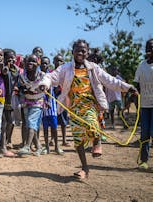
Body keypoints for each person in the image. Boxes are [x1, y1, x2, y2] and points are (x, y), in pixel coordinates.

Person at [41, 39, 137, 179]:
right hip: (74, 107)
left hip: (90, 104)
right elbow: (51, 76)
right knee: (78, 139)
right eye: (78, 50)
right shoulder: (66, 68)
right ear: (72, 51)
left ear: (88, 52)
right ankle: (85, 168)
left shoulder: (93, 68)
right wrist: (45, 83)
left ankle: (97, 141)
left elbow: (110, 80)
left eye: (84, 50)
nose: (81, 52)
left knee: (91, 122)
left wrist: (127, 87)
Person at [17, 54, 45, 156]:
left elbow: (48, 87)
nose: (30, 63)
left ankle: (27, 146)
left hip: (38, 102)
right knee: (31, 125)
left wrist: (48, 100)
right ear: (24, 63)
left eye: (33, 61)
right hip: (26, 102)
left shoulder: (42, 75)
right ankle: (39, 147)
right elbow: (19, 87)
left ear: (37, 63)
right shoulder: (22, 76)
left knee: (31, 122)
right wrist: (23, 91)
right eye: (28, 61)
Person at [134, 38, 153, 170]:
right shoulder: (142, 65)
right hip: (145, 105)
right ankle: (144, 161)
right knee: (144, 134)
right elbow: (137, 86)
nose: (150, 48)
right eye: (148, 46)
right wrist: (136, 102)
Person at [40, 56, 63, 155]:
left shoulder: (51, 75)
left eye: (46, 63)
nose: (44, 65)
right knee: (45, 127)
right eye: (42, 63)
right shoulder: (38, 75)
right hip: (42, 104)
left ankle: (57, 146)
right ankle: (47, 147)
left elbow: (53, 88)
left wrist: (49, 100)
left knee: (54, 127)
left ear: (49, 65)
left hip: (51, 105)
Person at [0, 48, 19, 157]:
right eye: (8, 57)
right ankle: (2, 147)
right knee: (3, 123)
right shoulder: (4, 68)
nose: (11, 59)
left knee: (10, 122)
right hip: (1, 98)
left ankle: (6, 142)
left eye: (13, 57)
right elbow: (4, 73)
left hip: (10, 99)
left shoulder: (15, 70)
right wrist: (5, 66)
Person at [53, 54, 70, 147]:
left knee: (64, 120)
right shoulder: (51, 73)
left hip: (63, 99)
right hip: (53, 99)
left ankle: (64, 139)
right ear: (53, 62)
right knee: (53, 119)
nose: (59, 63)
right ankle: (52, 139)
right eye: (57, 60)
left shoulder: (66, 74)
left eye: (60, 61)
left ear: (63, 62)